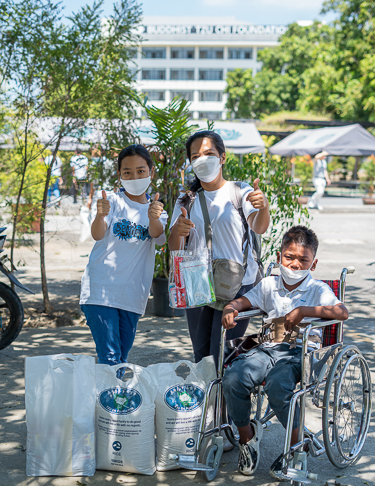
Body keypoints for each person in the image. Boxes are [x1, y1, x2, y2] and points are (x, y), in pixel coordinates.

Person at [221, 225, 349, 478]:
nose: (295, 264)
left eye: (303, 259)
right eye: (289, 257)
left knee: (278, 386)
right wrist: (230, 308)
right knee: (233, 376)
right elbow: (243, 301)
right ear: (279, 257)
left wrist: (305, 311)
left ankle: (294, 443)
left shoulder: (318, 289)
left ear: (313, 264)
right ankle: (247, 438)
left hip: (300, 353)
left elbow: (341, 312)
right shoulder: (269, 284)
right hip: (267, 349)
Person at [168, 130, 270, 368]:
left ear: (222, 157)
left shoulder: (239, 191)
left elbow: (259, 226)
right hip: (198, 286)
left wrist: (262, 206)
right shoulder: (186, 200)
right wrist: (177, 231)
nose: (201, 160)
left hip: (236, 286)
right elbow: (175, 249)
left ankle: (224, 405)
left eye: (208, 153)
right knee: (202, 358)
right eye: (195, 156)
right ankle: (209, 405)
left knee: (224, 357)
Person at [80, 144, 168, 365]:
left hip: (132, 296)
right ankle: (108, 399)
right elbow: (97, 234)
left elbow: (159, 237)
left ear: (151, 172)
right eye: (127, 172)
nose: (134, 176)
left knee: (121, 356)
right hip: (101, 291)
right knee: (110, 357)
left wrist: (154, 217)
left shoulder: (157, 210)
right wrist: (100, 216)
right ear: (119, 175)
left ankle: (109, 397)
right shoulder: (112, 201)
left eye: (140, 171)